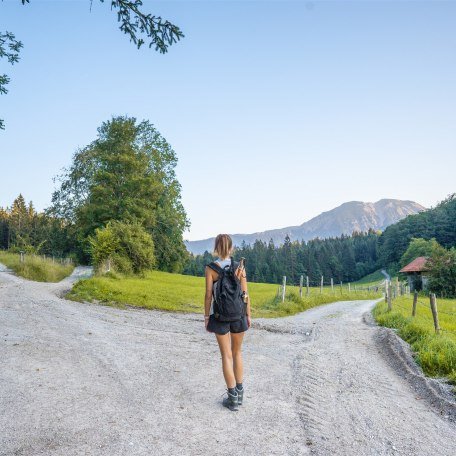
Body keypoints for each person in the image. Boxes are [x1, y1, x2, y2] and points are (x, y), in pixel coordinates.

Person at [204, 234, 251, 411]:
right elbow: (245, 294)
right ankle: (240, 394)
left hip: (220, 316)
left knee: (226, 356)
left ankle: (231, 399)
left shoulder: (211, 268)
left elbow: (209, 295)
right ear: (231, 248)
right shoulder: (239, 267)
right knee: (237, 353)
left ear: (216, 248)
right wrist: (248, 315)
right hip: (238, 315)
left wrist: (207, 316)